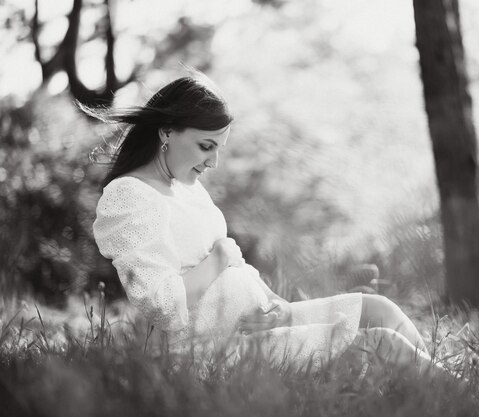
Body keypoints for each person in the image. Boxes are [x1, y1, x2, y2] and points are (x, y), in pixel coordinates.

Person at [90, 75, 430, 371]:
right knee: (383, 344)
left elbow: (236, 268)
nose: (214, 161)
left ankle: (459, 390)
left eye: (219, 148)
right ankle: (465, 398)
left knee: (378, 309)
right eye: (206, 146)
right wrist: (219, 259)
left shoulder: (186, 188)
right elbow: (163, 307)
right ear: (166, 133)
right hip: (213, 353)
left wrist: (275, 306)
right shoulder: (130, 196)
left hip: (261, 325)